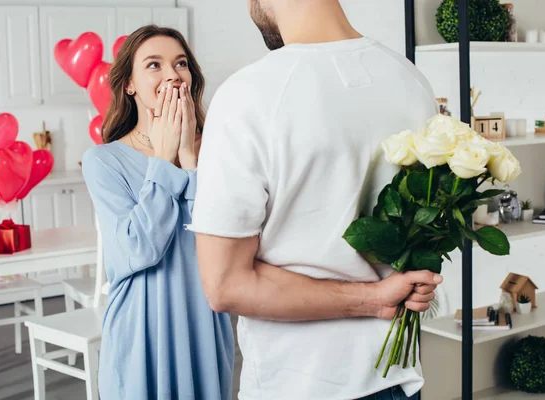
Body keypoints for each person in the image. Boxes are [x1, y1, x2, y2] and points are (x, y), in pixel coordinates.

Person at [187, 1, 443, 399]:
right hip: (397, 378)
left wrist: (374, 301)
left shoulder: (247, 95)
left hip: (297, 382)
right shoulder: (411, 81)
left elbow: (226, 285)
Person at [81, 25, 234, 400]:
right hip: (141, 328)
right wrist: (165, 160)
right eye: (154, 65)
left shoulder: (216, 150)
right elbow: (138, 250)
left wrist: (189, 161)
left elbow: (222, 238)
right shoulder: (103, 161)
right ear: (129, 84)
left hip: (204, 319)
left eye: (180, 63)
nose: (172, 74)